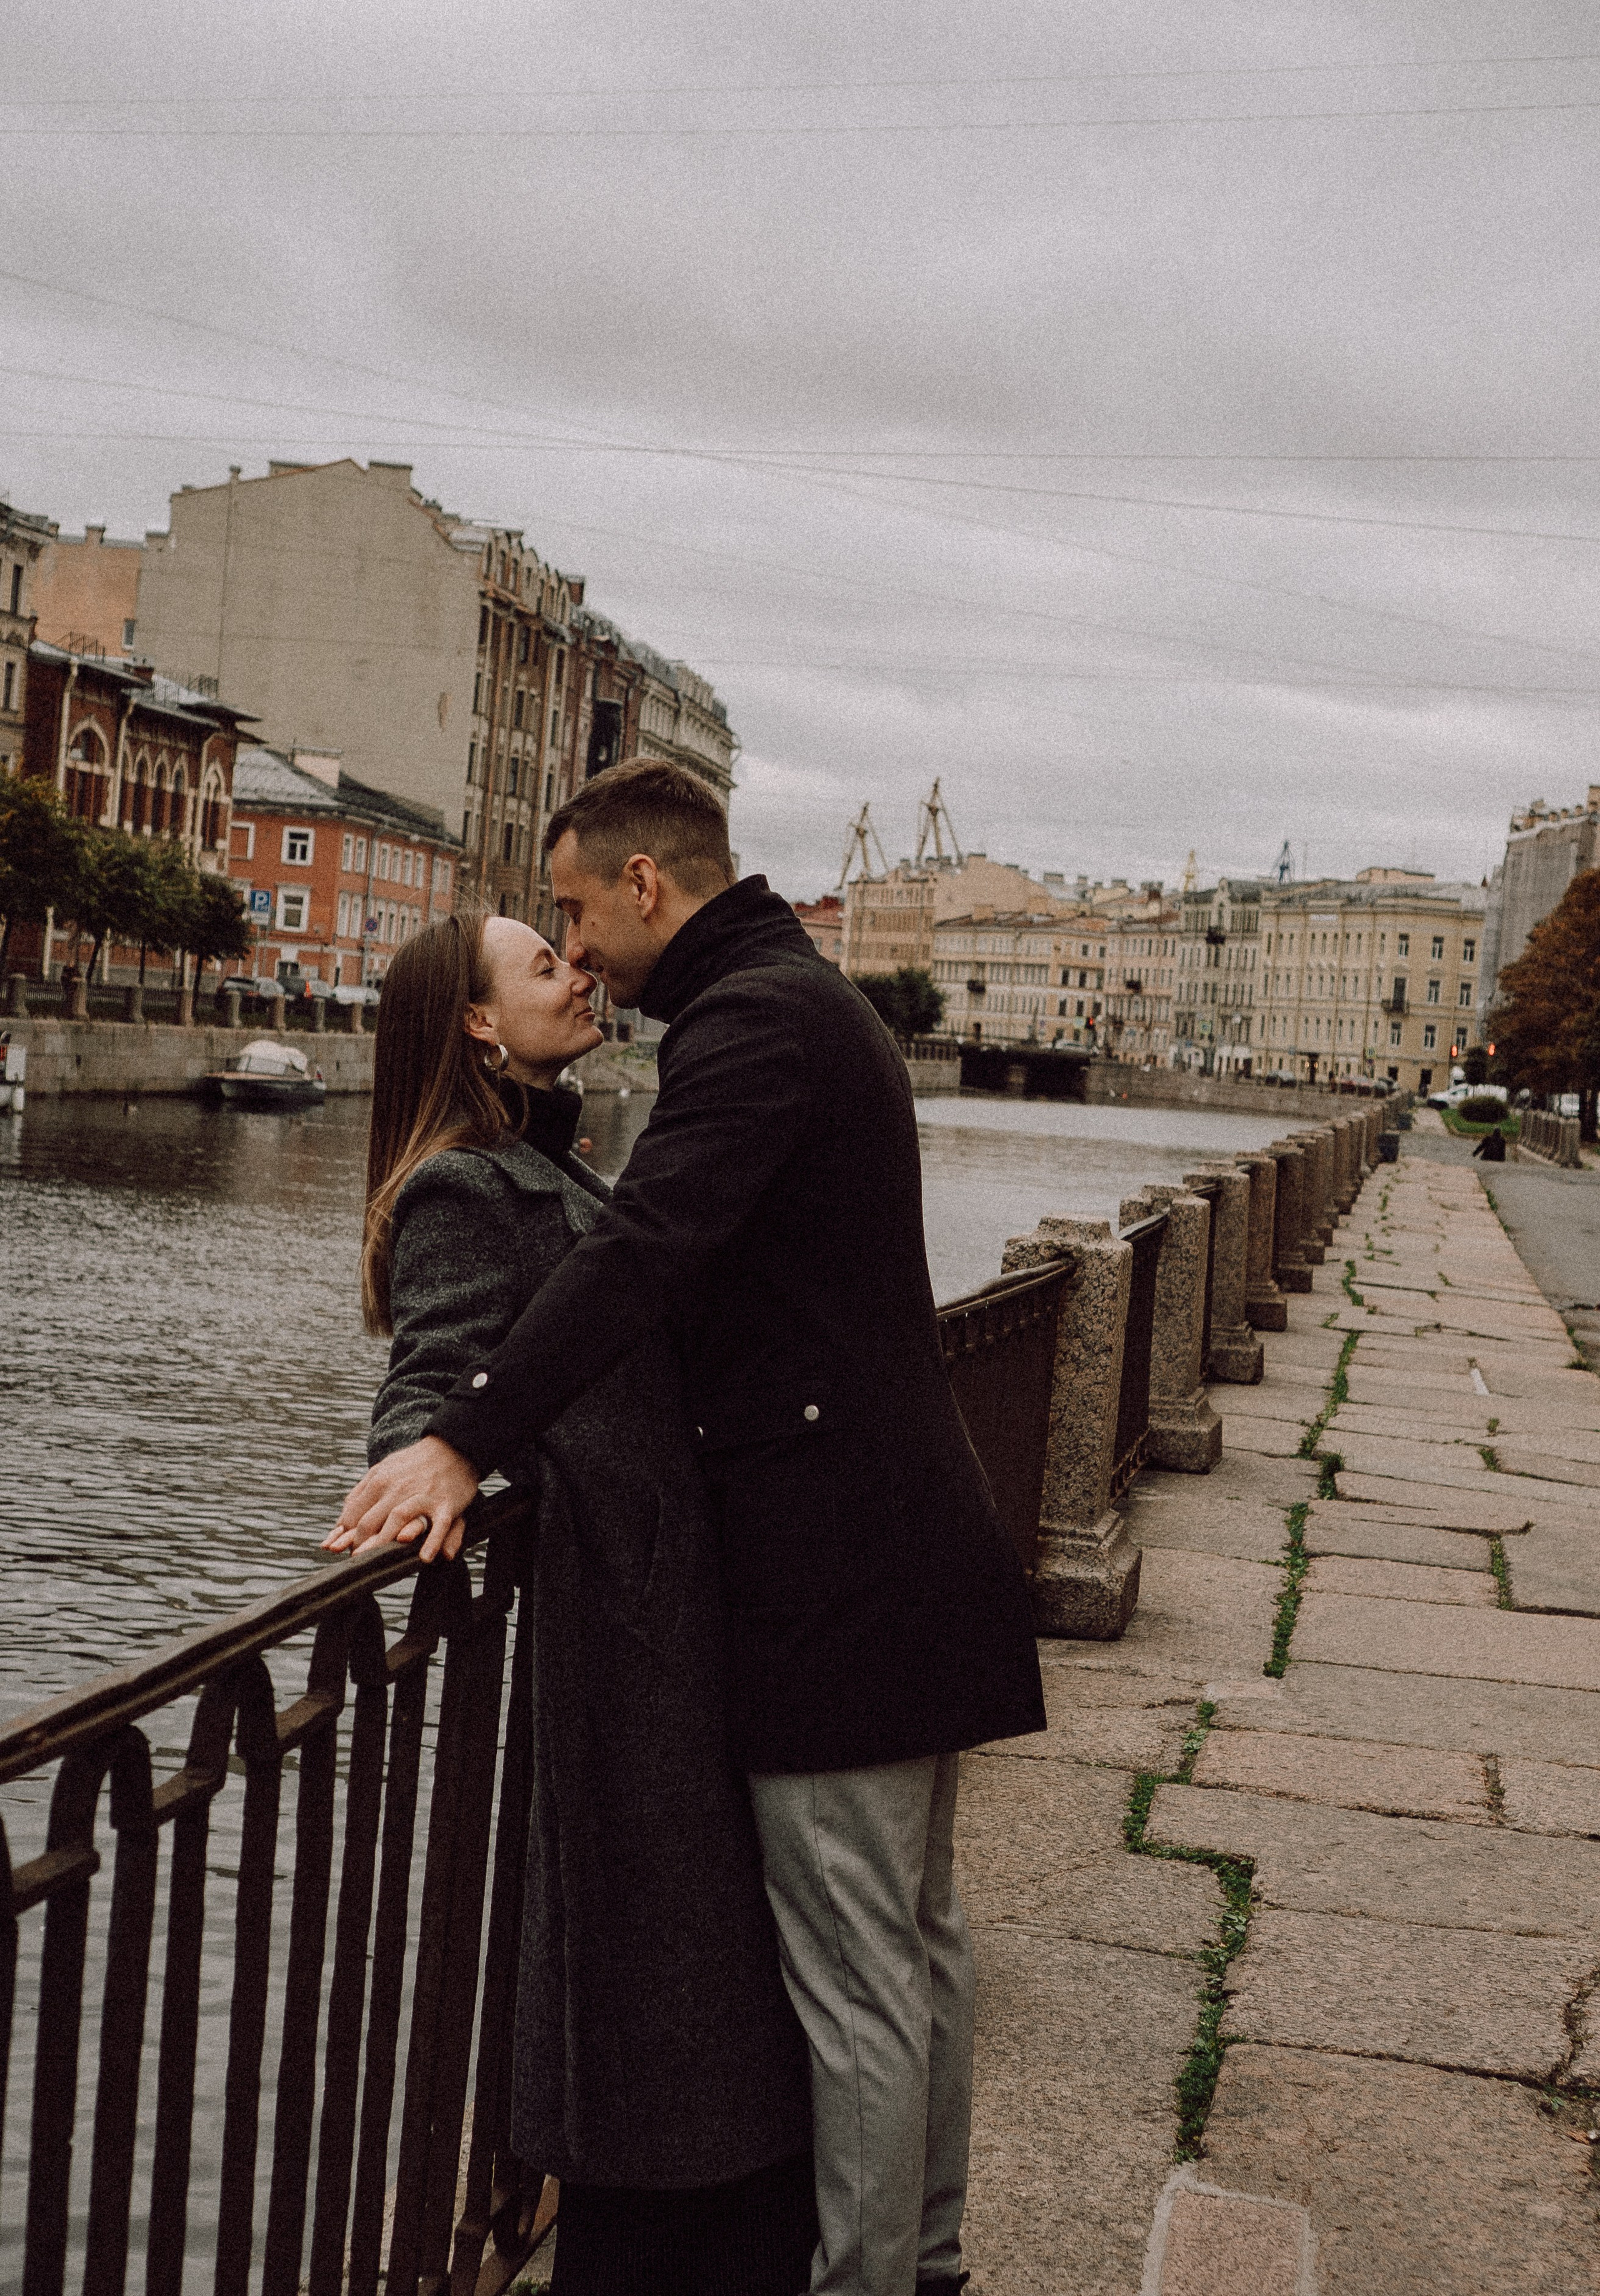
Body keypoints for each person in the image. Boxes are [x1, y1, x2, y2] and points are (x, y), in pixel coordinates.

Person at [332, 758, 1047, 2296]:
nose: (578, 952)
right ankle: (923, 2259)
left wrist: (469, 1437)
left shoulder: (749, 1023)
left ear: (644, 885)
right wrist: (446, 1424)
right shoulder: (794, 1002)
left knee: (868, 1972)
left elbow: (647, 1250)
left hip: (837, 1579)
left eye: (578, 914)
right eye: (549, 945)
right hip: (899, 1553)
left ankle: (877, 2278)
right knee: (916, 1951)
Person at [345, 908, 816, 2296]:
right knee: (650, 1984)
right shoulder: (461, 1189)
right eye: (542, 966)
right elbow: (433, 1367)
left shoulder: (557, 1166)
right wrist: (421, 1460)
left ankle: (705, 2236)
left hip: (670, 1613)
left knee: (689, 1982)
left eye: (570, 953)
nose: (579, 974)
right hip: (620, 1632)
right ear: (479, 1026)